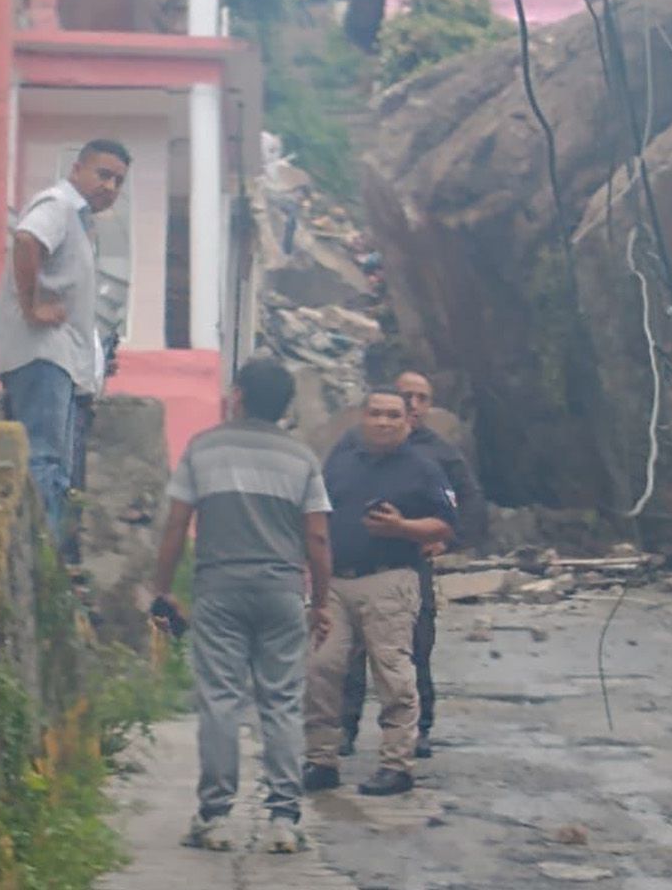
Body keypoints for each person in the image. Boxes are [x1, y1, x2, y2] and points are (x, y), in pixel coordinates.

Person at [150, 357, 334, 854]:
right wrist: (320, 600)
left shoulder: (203, 448)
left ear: (239, 396)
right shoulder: (302, 458)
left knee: (220, 700)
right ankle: (283, 819)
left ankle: (215, 817)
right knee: (281, 703)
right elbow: (316, 537)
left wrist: (162, 589)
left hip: (219, 590)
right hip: (280, 592)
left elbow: (175, 523)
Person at [302, 389, 455, 797]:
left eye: (393, 416)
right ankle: (320, 760)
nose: (384, 423)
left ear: (407, 421)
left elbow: (445, 525)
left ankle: (396, 764)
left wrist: (403, 528)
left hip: (390, 579)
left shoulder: (423, 468)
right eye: (375, 414)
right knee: (320, 669)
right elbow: (316, 514)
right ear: (361, 417)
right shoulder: (340, 461)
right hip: (334, 582)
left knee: (392, 674)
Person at [0, 139, 129, 558]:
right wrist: (32, 305)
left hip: (60, 361)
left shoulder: (81, 223)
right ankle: (37, 558)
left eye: (118, 181)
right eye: (102, 174)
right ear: (76, 170)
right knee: (45, 461)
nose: (110, 186)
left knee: (56, 468)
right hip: (41, 355)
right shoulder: (59, 205)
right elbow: (28, 240)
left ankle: (42, 556)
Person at [338, 370, 484, 760]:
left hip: (406, 566)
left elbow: (467, 501)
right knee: (347, 655)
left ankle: (419, 730)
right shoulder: (352, 446)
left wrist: (443, 539)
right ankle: (343, 728)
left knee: (414, 650)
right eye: (407, 397)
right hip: (352, 567)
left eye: (422, 399)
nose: (413, 406)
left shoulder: (439, 453)